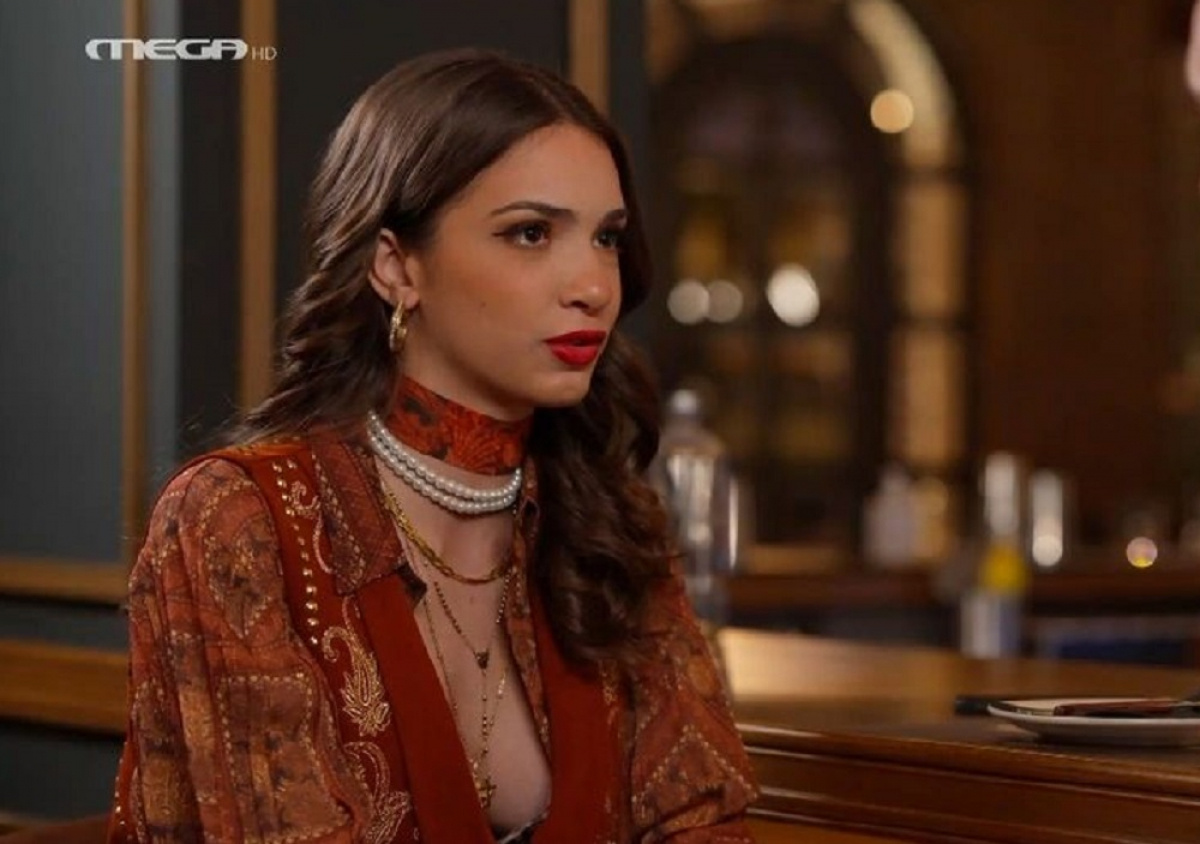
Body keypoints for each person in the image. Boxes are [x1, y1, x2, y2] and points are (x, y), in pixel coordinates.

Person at [106, 49, 757, 843]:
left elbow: (702, 824)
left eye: (607, 238)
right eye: (530, 233)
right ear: (396, 266)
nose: (593, 285)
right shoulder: (241, 523)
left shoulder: (608, 523)